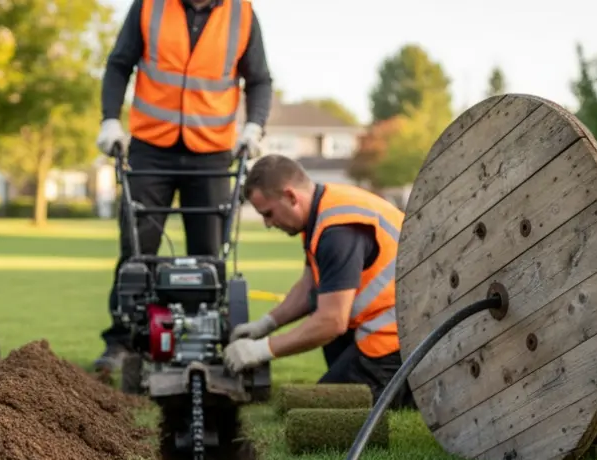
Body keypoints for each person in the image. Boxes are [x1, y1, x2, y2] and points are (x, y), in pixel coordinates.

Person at [92, 0, 274, 375]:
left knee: (209, 252)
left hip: (211, 151)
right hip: (149, 149)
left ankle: (203, 340)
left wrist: (254, 126)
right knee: (137, 248)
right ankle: (123, 342)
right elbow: (119, 64)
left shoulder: (241, 13)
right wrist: (110, 120)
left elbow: (259, 79)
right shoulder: (149, 6)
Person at [224, 154, 414, 408]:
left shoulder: (338, 231)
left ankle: (410, 391)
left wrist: (261, 350)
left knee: (313, 409)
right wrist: (266, 324)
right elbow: (309, 287)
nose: (267, 224)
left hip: (400, 337)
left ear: (291, 197)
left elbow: (331, 321)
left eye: (268, 213)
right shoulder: (324, 210)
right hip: (387, 326)